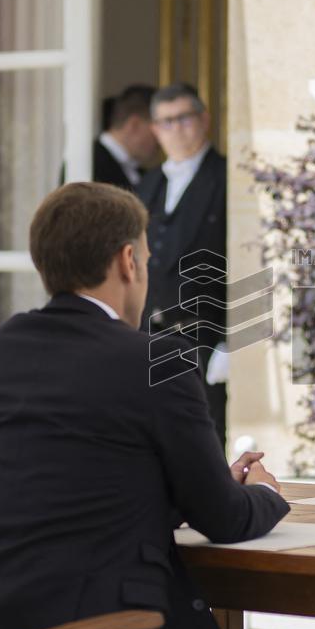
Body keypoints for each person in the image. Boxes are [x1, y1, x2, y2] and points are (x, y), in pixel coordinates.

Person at [0, 182, 288, 629]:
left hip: (2, 622)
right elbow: (223, 520)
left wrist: (201, 485)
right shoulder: (158, 359)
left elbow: (79, 482)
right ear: (128, 261)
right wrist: (263, 492)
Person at [137, 82, 228, 448]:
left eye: (184, 118)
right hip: (149, 337)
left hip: (205, 336)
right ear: (155, 130)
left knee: (203, 439)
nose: (176, 129)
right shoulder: (147, 184)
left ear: (203, 120)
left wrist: (232, 340)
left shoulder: (225, 178)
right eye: (166, 122)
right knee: (156, 438)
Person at [93, 84, 158, 190]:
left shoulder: (143, 172)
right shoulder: (89, 162)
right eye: (157, 126)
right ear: (134, 125)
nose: (160, 137)